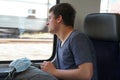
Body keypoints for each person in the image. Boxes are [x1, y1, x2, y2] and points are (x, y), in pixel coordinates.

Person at [40, 3, 97, 80]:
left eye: (50, 18)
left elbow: (86, 74)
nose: (47, 23)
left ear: (59, 19)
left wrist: (54, 72)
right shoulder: (60, 41)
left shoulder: (78, 38)